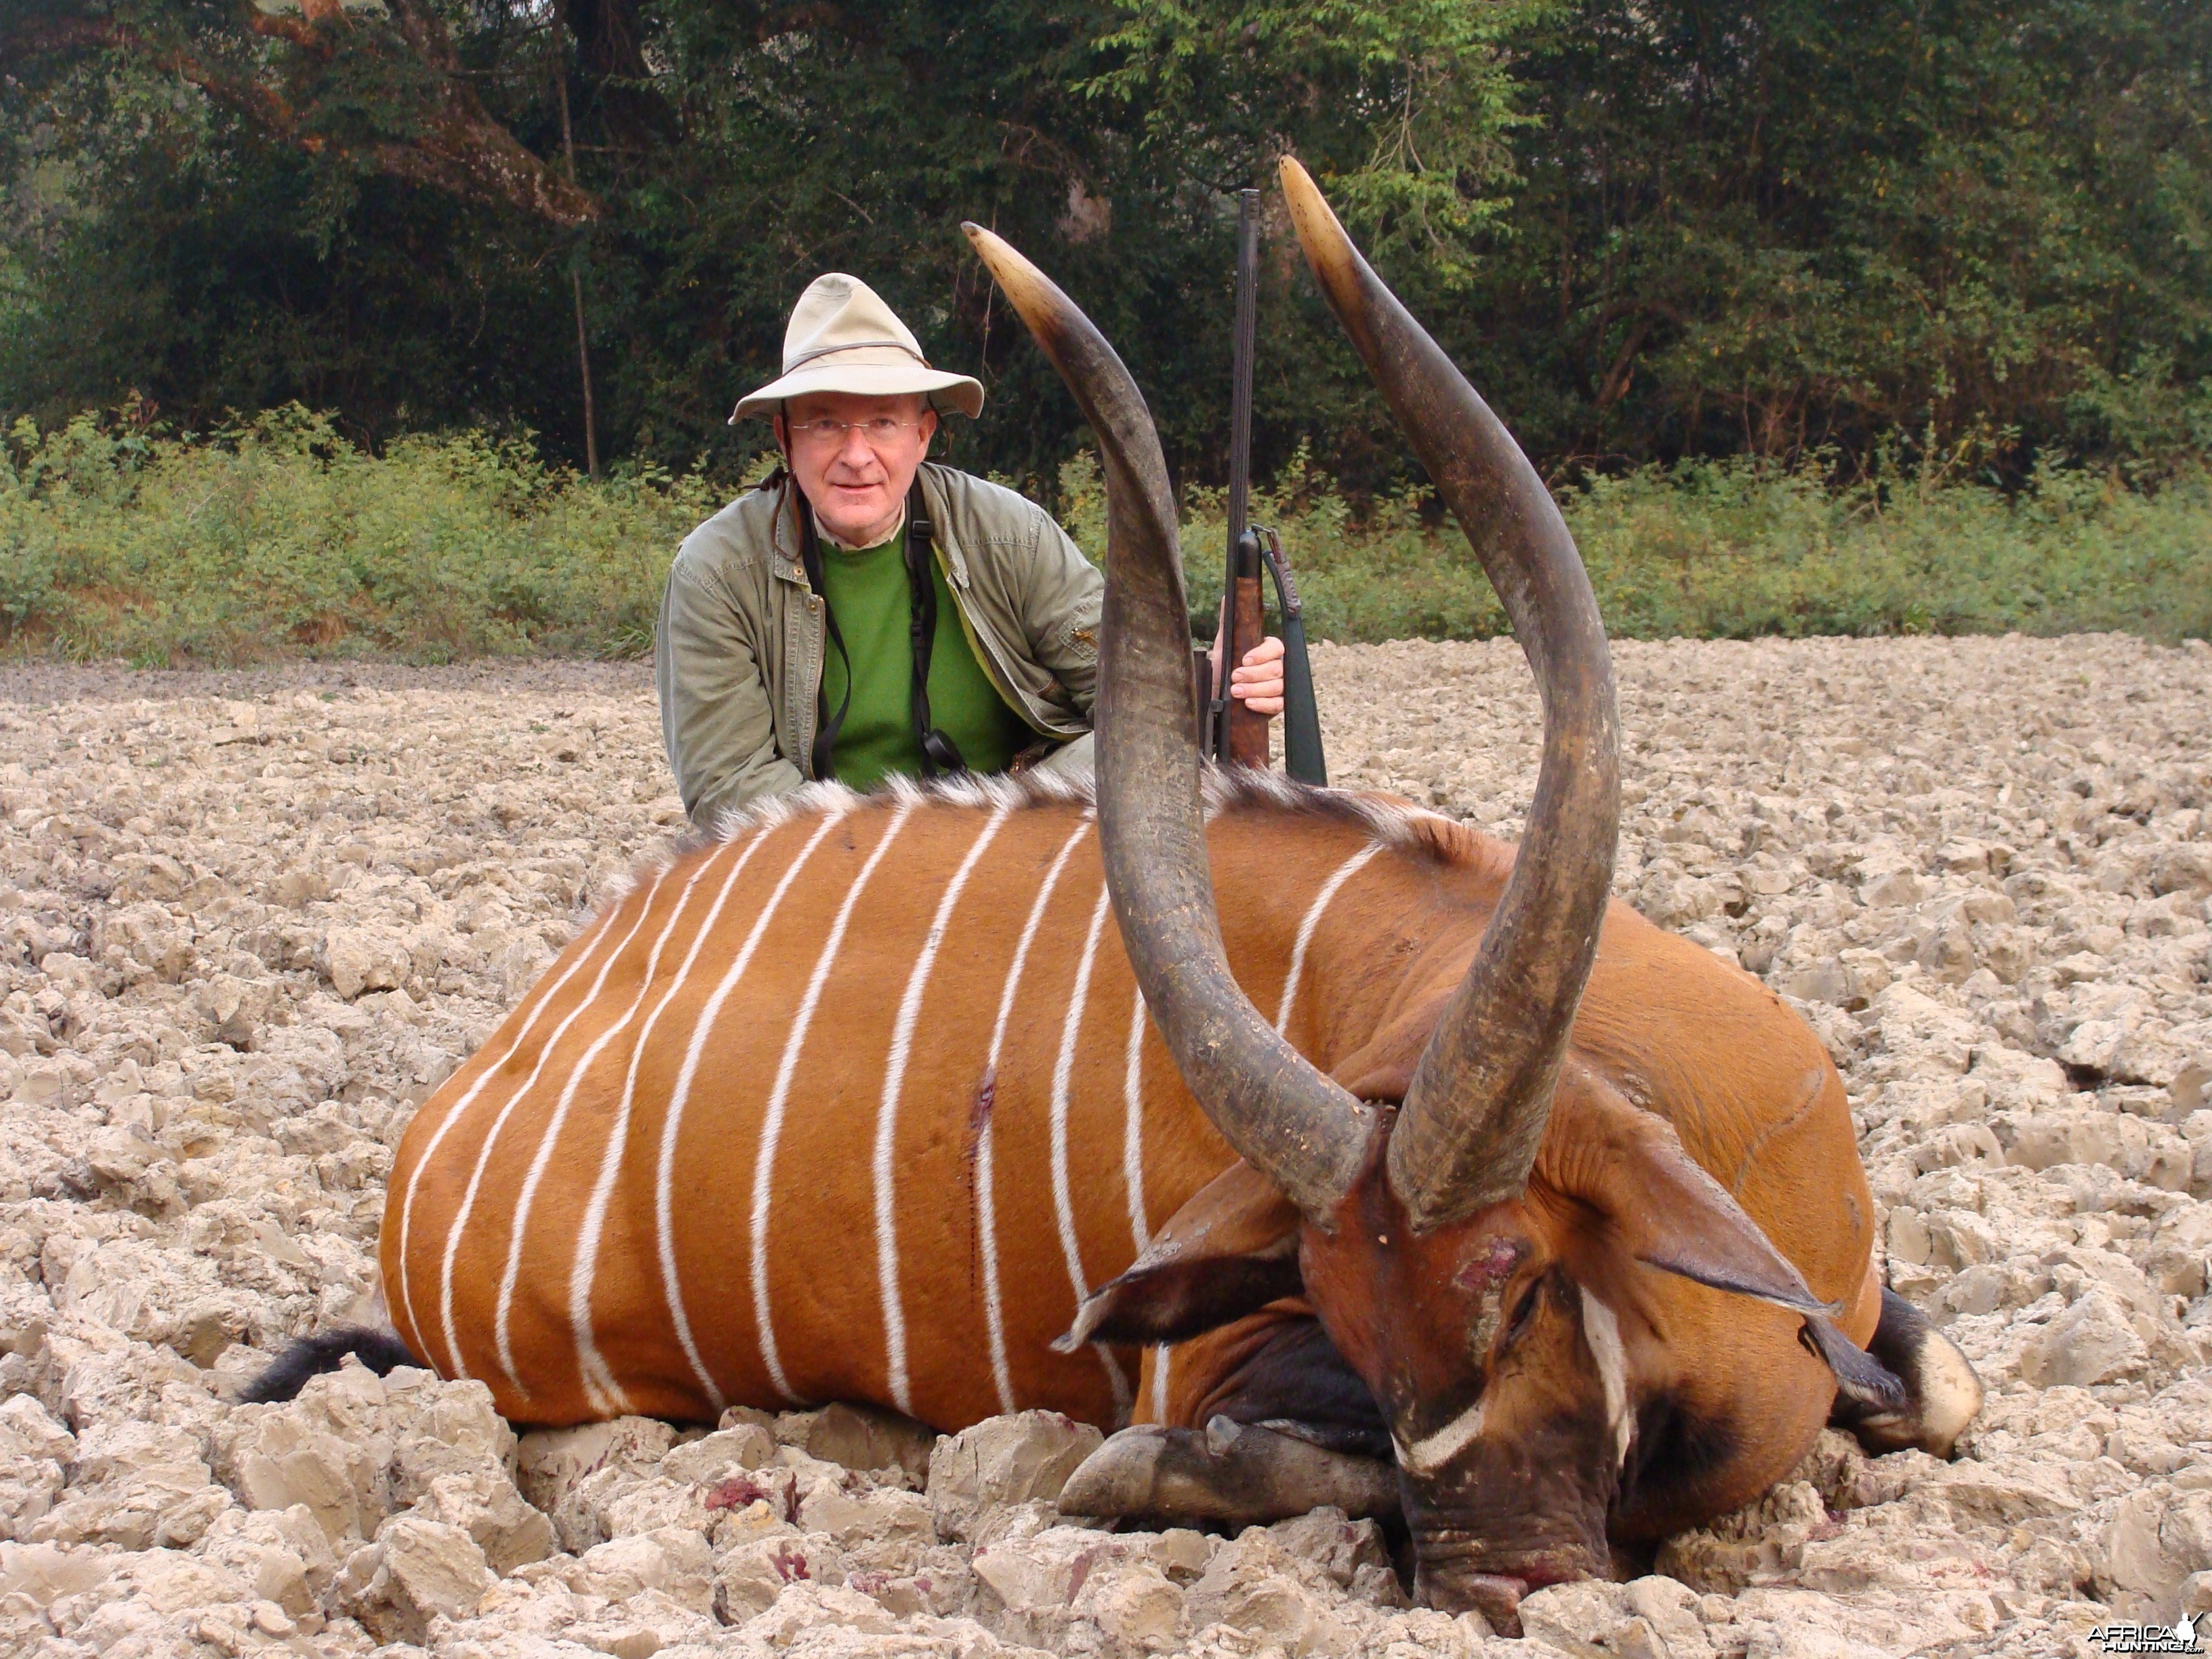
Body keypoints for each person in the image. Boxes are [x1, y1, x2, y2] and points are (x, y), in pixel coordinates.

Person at [656, 272, 1285, 830]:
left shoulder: (1012, 535)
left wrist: (1212, 681)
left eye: (882, 422)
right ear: (784, 438)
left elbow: (1129, 697)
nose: (855, 455)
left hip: (1010, 849)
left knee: (1147, 740)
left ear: (924, 433)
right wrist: (905, 864)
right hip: (827, 877)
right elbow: (729, 790)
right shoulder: (715, 572)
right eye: (824, 423)